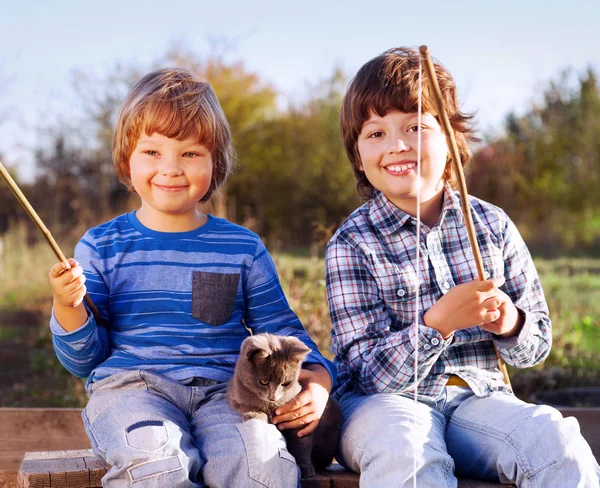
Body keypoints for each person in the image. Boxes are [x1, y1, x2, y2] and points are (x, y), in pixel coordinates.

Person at [325, 47, 599, 487]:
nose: (397, 145)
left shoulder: (490, 224)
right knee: (407, 451)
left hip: (478, 399)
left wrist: (510, 321)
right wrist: (436, 325)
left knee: (554, 440)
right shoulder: (352, 242)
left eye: (415, 126)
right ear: (358, 155)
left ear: (452, 140)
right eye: (375, 133)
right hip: (383, 408)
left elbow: (537, 344)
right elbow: (366, 373)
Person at [48, 68, 335, 488]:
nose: (171, 168)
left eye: (189, 153)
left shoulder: (241, 247)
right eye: (152, 152)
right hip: (132, 390)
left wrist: (321, 377)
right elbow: (84, 360)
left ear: (214, 161)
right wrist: (67, 305)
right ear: (127, 157)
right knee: (154, 463)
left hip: (226, 394)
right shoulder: (101, 246)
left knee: (263, 467)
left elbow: (282, 332)